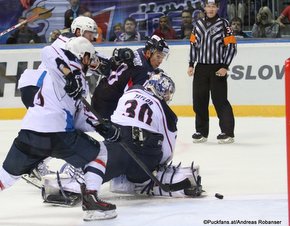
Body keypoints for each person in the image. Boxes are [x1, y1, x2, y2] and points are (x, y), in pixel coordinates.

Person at [0, 37, 120, 221]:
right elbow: (47, 51)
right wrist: (69, 75)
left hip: (31, 132)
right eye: (90, 57)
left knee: (6, 176)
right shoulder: (66, 66)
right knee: (99, 153)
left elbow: (79, 119)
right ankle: (91, 201)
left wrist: (100, 126)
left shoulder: (81, 82)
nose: (92, 62)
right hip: (58, 135)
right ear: (83, 55)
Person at [41, 72, 203, 206]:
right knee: (142, 173)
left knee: (97, 161)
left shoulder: (129, 92)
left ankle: (66, 182)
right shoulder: (166, 111)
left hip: (118, 149)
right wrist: (157, 166)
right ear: (161, 90)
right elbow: (167, 150)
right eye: (167, 93)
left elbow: (115, 122)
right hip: (145, 160)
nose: (168, 97)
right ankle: (142, 181)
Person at [187, 0, 237, 144]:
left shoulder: (224, 24)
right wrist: (191, 64)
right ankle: (201, 132)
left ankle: (227, 132)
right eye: (208, 6)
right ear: (204, 7)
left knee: (220, 100)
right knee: (199, 100)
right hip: (201, 67)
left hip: (217, 67)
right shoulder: (198, 24)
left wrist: (225, 66)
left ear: (218, 8)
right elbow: (193, 45)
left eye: (213, 6)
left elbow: (231, 46)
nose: (210, 9)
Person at [91, 35, 169, 120]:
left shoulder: (140, 52)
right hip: (106, 106)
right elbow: (133, 97)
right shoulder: (143, 70)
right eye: (158, 56)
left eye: (162, 57)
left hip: (101, 93)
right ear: (148, 53)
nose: (160, 61)